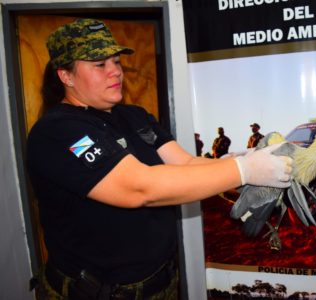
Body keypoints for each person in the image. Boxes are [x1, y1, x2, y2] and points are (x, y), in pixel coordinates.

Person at [26, 19, 293, 300]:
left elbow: (186, 165)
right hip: (100, 293)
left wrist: (243, 158)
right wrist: (243, 171)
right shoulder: (57, 131)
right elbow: (139, 188)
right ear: (66, 76)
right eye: (100, 64)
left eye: (116, 62)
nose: (115, 71)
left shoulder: (133, 116)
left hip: (162, 285)